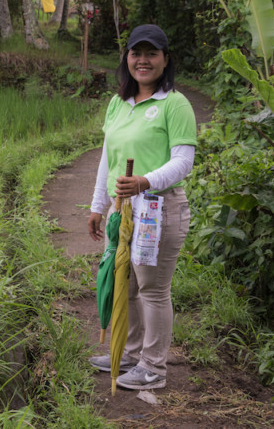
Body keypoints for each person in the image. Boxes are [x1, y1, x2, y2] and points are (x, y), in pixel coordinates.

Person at [87, 23, 197, 391]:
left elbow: (183, 161)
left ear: (165, 59)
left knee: (152, 289)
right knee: (125, 283)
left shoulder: (175, 104)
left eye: (152, 53)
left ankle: (153, 367)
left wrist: (144, 181)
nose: (143, 60)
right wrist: (98, 205)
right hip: (121, 210)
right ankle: (130, 353)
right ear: (127, 58)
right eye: (136, 53)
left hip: (157, 210)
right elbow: (108, 157)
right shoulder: (118, 103)